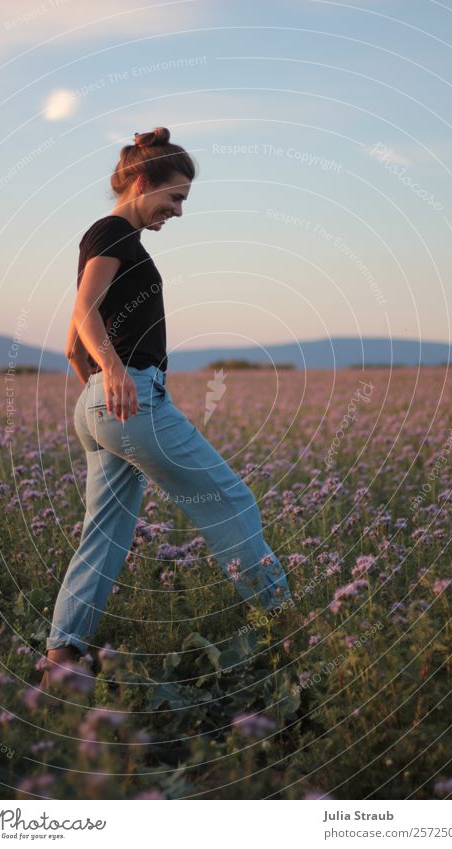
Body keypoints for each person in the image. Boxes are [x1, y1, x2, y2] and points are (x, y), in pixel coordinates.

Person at [40, 127, 293, 690]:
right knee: (230, 499)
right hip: (130, 400)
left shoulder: (115, 239)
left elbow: (70, 341)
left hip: (103, 408)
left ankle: (61, 657)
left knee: (104, 533)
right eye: (173, 197)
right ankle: (285, 624)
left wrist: (98, 392)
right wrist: (116, 375)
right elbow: (84, 310)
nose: (177, 211)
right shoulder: (112, 231)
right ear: (139, 181)